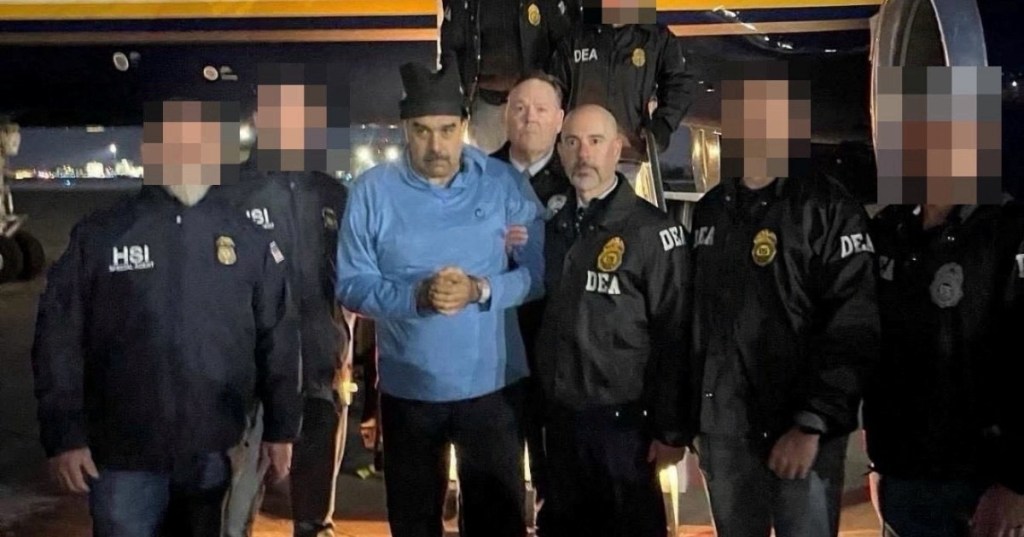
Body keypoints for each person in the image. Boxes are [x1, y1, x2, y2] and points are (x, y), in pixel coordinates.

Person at [31, 99, 300, 537]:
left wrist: (282, 430)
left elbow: (278, 339)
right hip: (122, 457)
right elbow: (58, 341)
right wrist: (64, 436)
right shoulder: (101, 235)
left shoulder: (248, 240)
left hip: (212, 453)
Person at [335, 58, 545, 537]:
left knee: (498, 525)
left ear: (464, 126)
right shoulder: (371, 192)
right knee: (413, 524)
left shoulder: (503, 185)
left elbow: (538, 275)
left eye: (448, 130)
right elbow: (351, 284)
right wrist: (416, 297)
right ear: (404, 129)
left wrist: (480, 289)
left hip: (493, 391)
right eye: (422, 131)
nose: (436, 145)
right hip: (408, 392)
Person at [689, 64, 880, 537]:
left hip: (799, 434)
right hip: (726, 433)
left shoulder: (829, 209)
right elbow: (693, 321)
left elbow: (852, 324)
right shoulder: (710, 210)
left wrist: (813, 422)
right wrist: (694, 419)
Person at [864, 64, 1024, 537]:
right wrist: (879, 462)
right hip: (903, 475)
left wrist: (1016, 483)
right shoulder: (887, 232)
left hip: (983, 483)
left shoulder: (1008, 232)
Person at [532, 104, 690, 536]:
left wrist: (671, 429)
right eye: (572, 142)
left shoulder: (652, 232)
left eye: (595, 141)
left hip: (625, 427)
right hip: (560, 422)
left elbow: (675, 335)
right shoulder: (551, 224)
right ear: (560, 151)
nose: (583, 153)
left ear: (617, 148)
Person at [216, 63, 350, 537]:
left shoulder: (334, 194)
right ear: (259, 116)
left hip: (319, 372)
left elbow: (352, 281)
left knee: (314, 518)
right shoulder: (227, 192)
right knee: (234, 514)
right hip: (252, 382)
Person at [489, 72, 571, 506]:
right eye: (519, 108)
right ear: (505, 115)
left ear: (559, 119)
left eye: (541, 109)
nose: (529, 118)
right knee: (491, 477)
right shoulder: (477, 176)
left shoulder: (580, 178)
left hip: (559, 350)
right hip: (492, 346)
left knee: (556, 476)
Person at [548, 17, 693, 160]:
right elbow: (553, 92)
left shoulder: (655, 38)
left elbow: (679, 84)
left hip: (629, 153)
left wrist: (663, 125)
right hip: (579, 154)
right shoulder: (575, 36)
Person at [440, 0, 572, 153]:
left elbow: (564, 44)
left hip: (535, 104)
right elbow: (450, 48)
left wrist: (550, 90)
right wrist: (458, 100)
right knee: (490, 164)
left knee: (536, 162)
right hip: (488, 103)